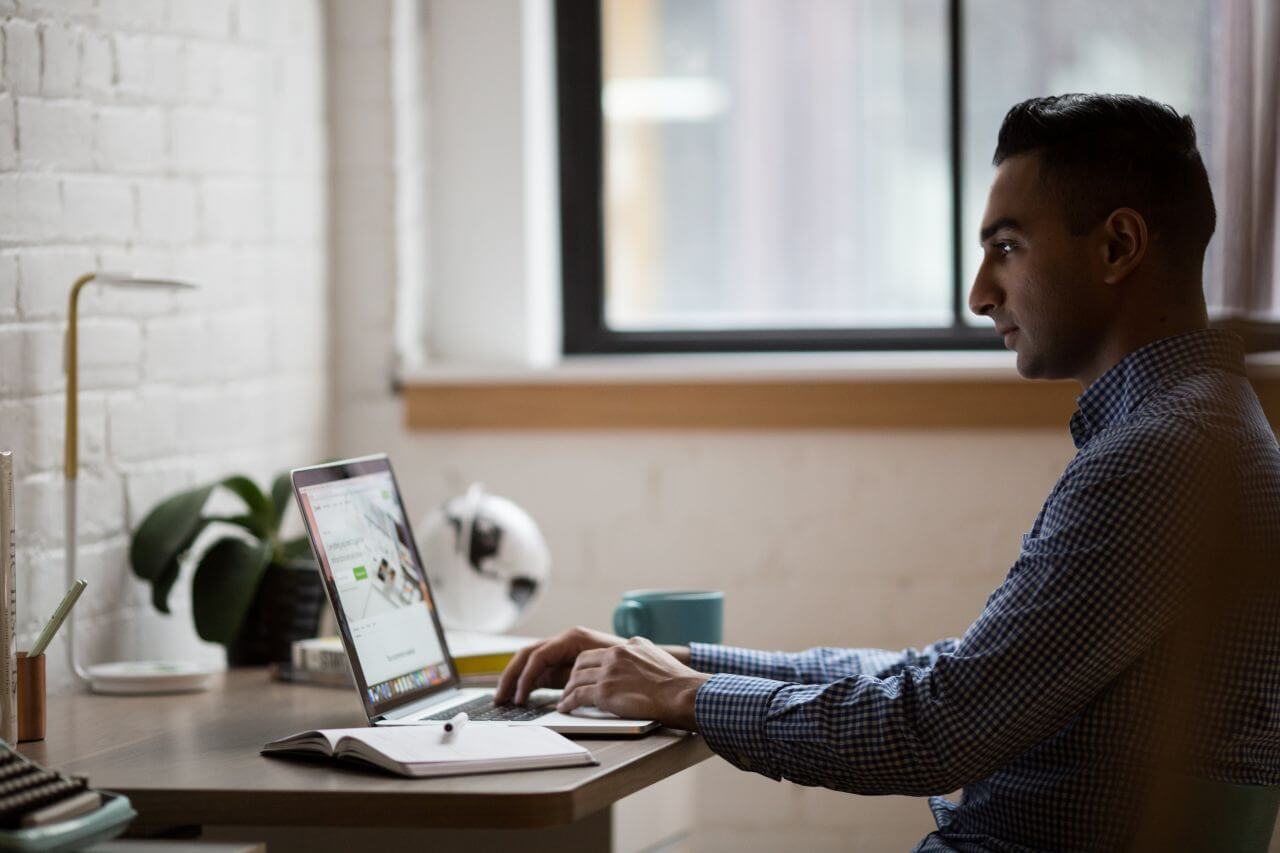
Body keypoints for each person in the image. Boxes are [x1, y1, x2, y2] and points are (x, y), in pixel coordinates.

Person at [496, 94, 1280, 851]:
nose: (980, 294)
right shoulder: (1203, 430)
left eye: (1007, 247)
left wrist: (685, 698)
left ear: (1117, 246)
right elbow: (947, 678)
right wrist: (684, 664)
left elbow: (935, 730)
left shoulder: (1159, 458)